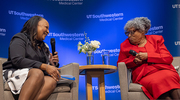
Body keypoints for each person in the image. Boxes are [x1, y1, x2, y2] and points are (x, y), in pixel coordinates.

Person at [117, 17, 180, 100]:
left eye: (132, 32)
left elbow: (168, 58)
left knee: (169, 77)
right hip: (145, 75)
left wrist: (148, 56)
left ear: (142, 31)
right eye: (127, 33)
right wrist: (133, 61)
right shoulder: (124, 45)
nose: (129, 35)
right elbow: (120, 64)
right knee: (156, 82)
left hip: (164, 70)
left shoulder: (156, 39)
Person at [3, 16, 61, 100]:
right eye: (46, 27)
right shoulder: (20, 38)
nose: (48, 31)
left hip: (36, 76)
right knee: (38, 73)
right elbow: (17, 60)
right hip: (15, 71)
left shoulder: (44, 47)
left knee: (51, 81)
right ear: (35, 25)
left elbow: (45, 68)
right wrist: (45, 66)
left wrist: (51, 63)